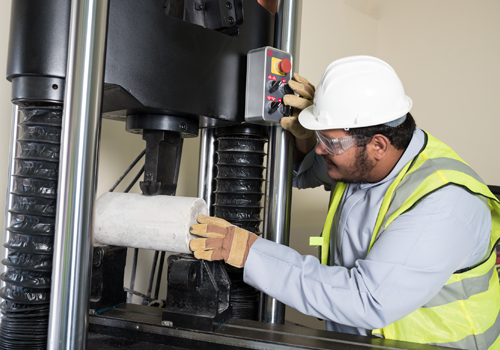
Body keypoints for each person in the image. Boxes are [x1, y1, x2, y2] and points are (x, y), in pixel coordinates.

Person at [189, 56, 500, 349]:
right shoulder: (371, 160)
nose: (321, 151)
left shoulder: (443, 205)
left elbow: (367, 300)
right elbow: (301, 174)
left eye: (329, 142)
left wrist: (249, 252)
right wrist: (309, 137)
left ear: (378, 144)